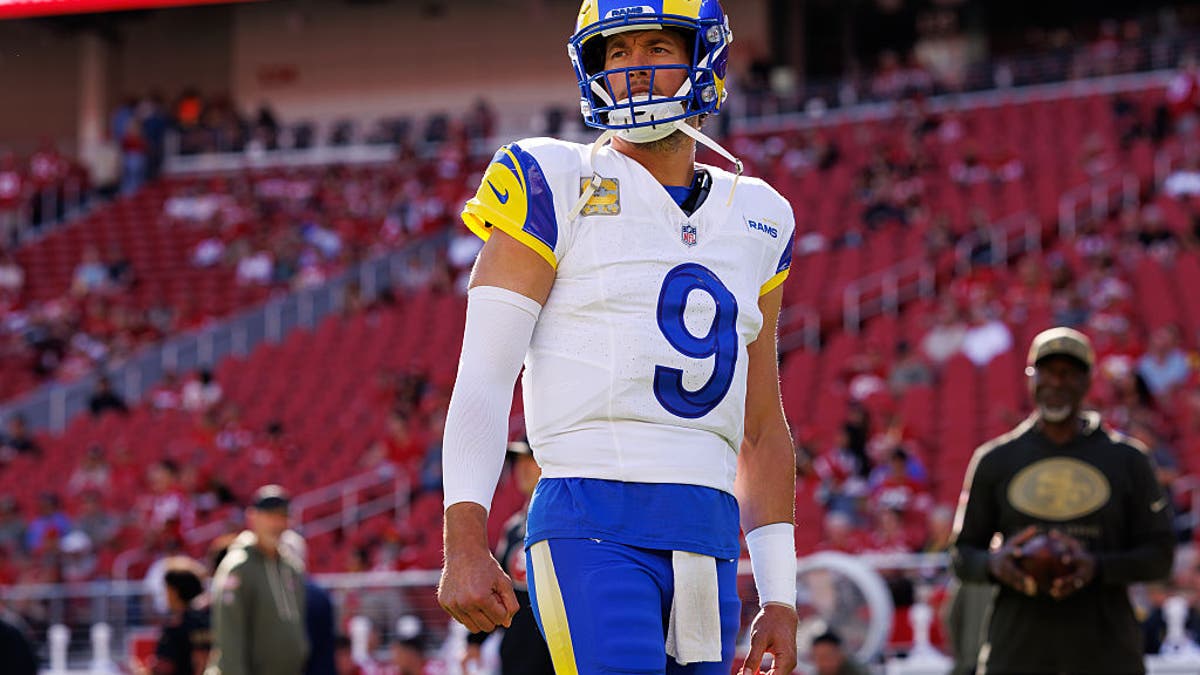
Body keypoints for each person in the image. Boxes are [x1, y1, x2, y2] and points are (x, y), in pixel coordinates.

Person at [437, 2, 799, 674]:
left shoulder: (762, 215)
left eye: (656, 47)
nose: (633, 70)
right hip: (590, 513)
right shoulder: (550, 178)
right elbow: (484, 377)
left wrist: (780, 593)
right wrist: (464, 536)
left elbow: (762, 426)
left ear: (704, 58)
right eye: (616, 52)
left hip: (708, 532)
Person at [950, 327, 1175, 674]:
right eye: (1045, 372)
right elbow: (962, 555)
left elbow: (1160, 557)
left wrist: (1096, 567)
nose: (1055, 382)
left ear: (1086, 381)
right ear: (1030, 378)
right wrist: (997, 564)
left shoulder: (1128, 460)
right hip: (1018, 651)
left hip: (1106, 651)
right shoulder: (995, 460)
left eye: (1067, 373)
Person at [463, 441, 554, 675]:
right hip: (517, 656)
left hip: (557, 654)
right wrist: (475, 641)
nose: (522, 468)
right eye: (518, 462)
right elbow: (499, 591)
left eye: (529, 460)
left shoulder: (568, 525)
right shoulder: (513, 529)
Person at [206, 485, 308, 675]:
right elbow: (229, 637)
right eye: (270, 516)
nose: (277, 524)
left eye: (283, 517)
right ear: (252, 517)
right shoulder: (239, 567)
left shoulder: (291, 567)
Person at [141, 556, 212, 675]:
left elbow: (164, 668)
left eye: (166, 588)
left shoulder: (175, 627)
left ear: (174, 592)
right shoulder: (210, 621)